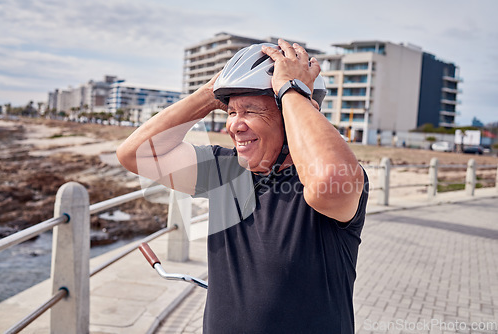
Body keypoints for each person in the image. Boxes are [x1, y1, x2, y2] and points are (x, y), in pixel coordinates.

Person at [117, 39, 368, 333]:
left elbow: (331, 182)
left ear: (291, 118)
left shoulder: (326, 180)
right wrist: (211, 93)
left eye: (250, 111)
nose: (235, 125)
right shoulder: (225, 170)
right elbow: (135, 154)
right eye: (231, 112)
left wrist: (292, 91)